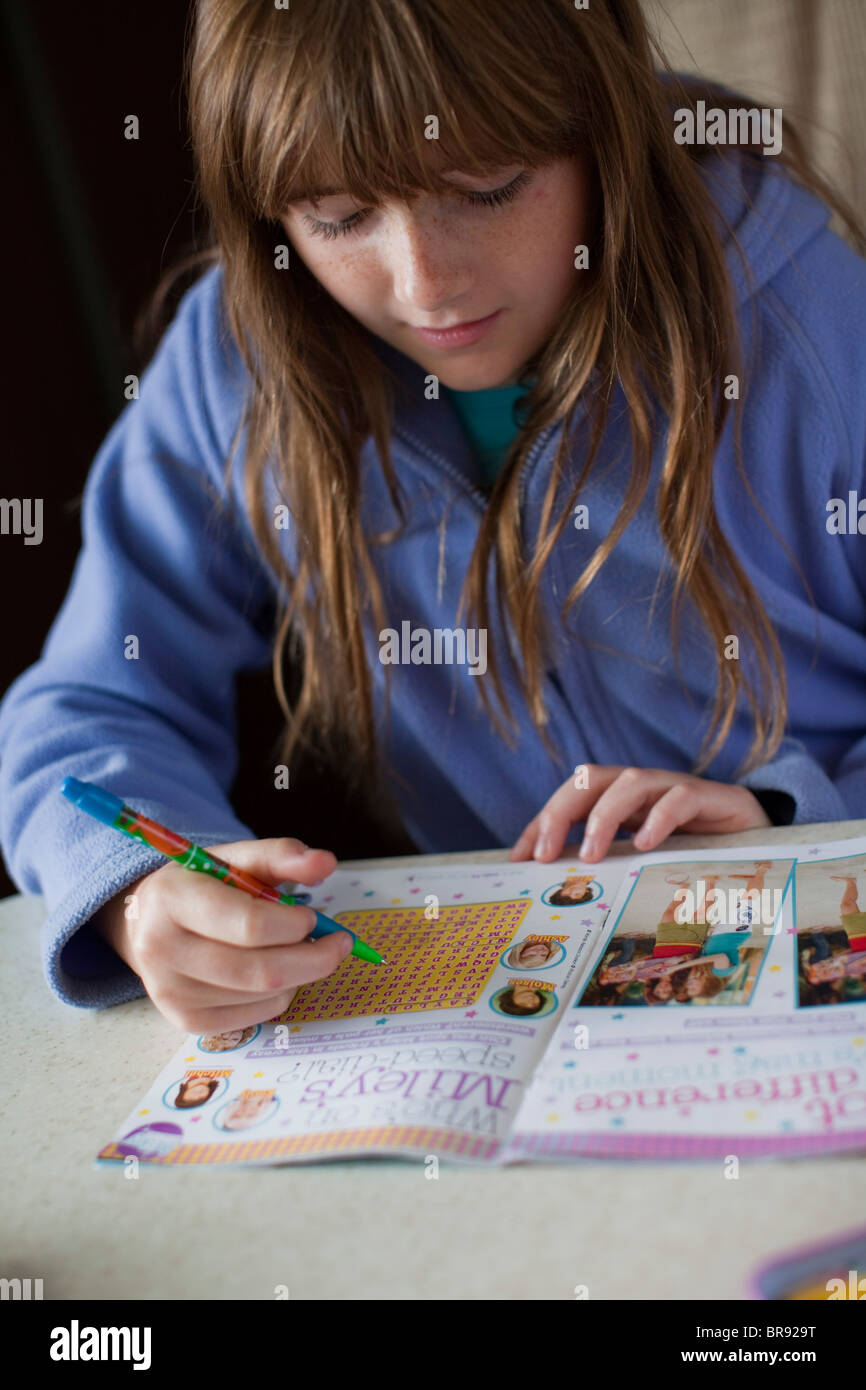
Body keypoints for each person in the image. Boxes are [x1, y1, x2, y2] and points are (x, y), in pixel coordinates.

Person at [1, 1, 865, 1034]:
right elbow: (89, 708)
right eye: (335, 217)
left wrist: (787, 815)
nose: (425, 285)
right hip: (519, 1019)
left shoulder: (807, 318)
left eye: (487, 188)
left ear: (602, 130)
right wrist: (140, 892)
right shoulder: (230, 370)